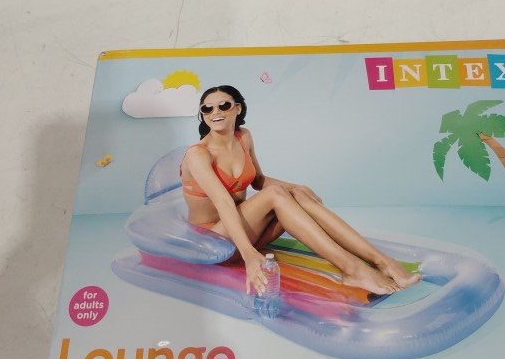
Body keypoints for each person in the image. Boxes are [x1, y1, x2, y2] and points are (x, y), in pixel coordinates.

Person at [180, 85, 421, 298]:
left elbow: (258, 181)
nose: (215, 112)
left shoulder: (243, 137)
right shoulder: (198, 154)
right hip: (211, 244)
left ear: (238, 108)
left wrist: (297, 188)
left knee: (296, 195)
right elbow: (224, 202)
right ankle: (353, 270)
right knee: (276, 194)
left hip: (241, 231)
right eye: (207, 109)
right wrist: (249, 255)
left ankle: (382, 261)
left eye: (223, 105)